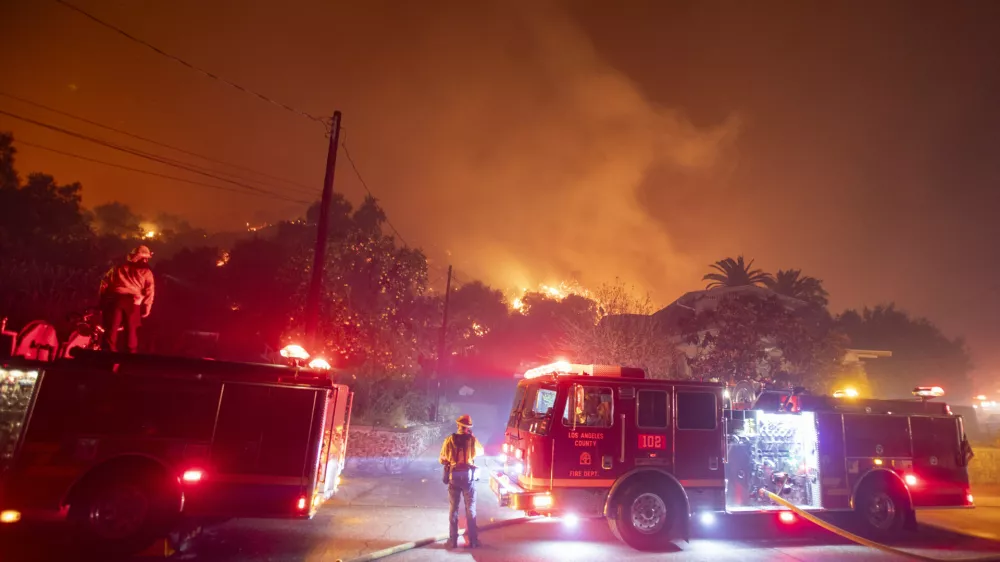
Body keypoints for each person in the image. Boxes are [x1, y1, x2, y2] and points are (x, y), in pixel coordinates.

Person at [98, 245, 155, 353]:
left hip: (115, 301)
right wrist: (147, 308)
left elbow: (104, 284)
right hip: (134, 303)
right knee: (131, 332)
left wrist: (102, 301)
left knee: (111, 332)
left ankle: (108, 357)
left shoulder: (117, 267)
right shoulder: (147, 272)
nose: (147, 260)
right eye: (146, 258)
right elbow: (150, 291)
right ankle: (130, 358)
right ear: (142, 258)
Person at [439, 414, 485, 548]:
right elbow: (481, 451)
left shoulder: (449, 440)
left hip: (454, 477)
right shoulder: (472, 440)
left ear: (458, 425)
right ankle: (473, 541)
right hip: (468, 478)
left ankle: (453, 541)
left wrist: (450, 459)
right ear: (468, 428)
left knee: (453, 508)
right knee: (470, 509)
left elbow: (441, 459)